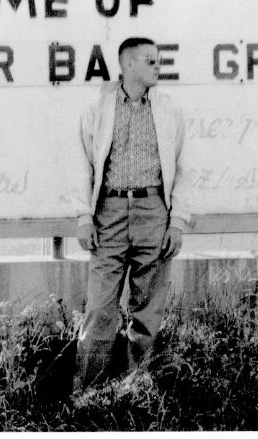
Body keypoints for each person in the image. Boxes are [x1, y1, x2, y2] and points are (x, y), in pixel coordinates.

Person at [70, 36, 191, 389]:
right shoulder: (97, 109)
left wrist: (178, 221)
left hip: (154, 211)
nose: (157, 66)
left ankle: (136, 390)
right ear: (127, 65)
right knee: (100, 309)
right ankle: (86, 393)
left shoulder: (169, 110)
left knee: (147, 311)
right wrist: (83, 216)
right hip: (109, 212)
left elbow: (185, 168)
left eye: (158, 60)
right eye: (150, 61)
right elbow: (82, 166)